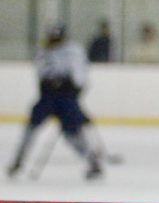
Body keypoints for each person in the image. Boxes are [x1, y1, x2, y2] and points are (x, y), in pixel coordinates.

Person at [7, 23, 103, 180]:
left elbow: (80, 75)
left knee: (72, 134)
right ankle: (18, 160)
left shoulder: (73, 51)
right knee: (30, 128)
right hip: (47, 97)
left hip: (66, 98)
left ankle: (92, 161)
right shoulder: (43, 50)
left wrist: (74, 92)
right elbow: (40, 73)